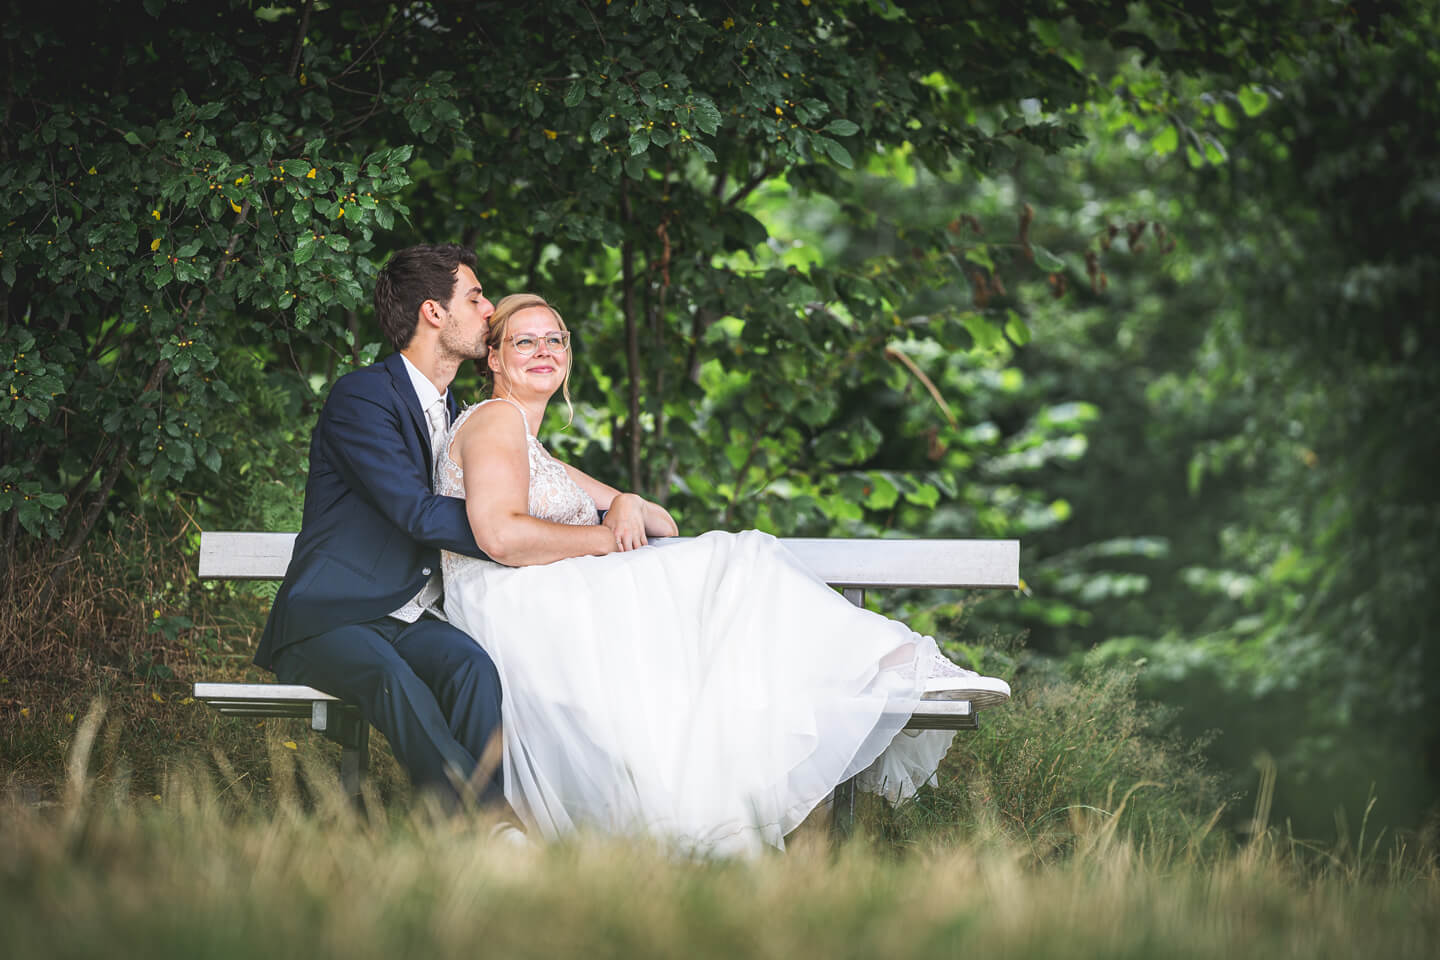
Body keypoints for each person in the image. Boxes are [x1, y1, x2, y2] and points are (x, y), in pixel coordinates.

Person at [436, 293, 1011, 855]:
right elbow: (501, 536)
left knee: (734, 574)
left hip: (546, 592)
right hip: (521, 604)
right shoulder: (496, 420)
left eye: (554, 339)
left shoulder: (529, 445)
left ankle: (892, 667)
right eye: (524, 341)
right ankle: (896, 666)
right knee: (742, 561)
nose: (543, 351)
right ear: (494, 358)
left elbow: (662, 522)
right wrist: (607, 539)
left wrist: (627, 501)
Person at [254, 243, 509, 807]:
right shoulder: (363, 397)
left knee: (473, 668)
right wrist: (512, 532)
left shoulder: (458, 411)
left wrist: (584, 520)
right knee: (392, 678)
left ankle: (462, 835)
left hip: (408, 619)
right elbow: (416, 511)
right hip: (329, 620)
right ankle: (489, 821)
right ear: (433, 312)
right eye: (475, 297)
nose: (490, 308)